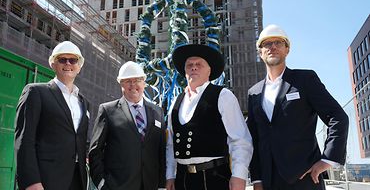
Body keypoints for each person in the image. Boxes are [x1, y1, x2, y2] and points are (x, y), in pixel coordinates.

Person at [246, 24, 349, 190]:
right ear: (260, 52)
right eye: (267, 44)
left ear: (287, 49)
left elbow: (338, 117)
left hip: (304, 178)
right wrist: (257, 179)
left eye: (278, 43)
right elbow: (254, 139)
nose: (272, 47)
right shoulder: (253, 93)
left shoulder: (305, 79)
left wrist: (327, 160)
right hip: (268, 181)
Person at [165, 44, 253, 190]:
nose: (193, 67)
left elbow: (240, 139)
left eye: (199, 64)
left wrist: (239, 176)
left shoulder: (223, 96)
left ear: (209, 70)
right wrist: (170, 176)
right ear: (184, 71)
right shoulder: (176, 102)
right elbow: (170, 144)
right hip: (182, 179)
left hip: (214, 177)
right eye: (189, 65)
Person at [15, 41, 90, 190]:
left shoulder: (84, 102)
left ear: (79, 66)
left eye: (73, 60)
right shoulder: (36, 92)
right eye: (62, 59)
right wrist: (31, 181)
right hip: (46, 179)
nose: (68, 63)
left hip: (77, 179)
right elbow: (24, 139)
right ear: (53, 64)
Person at [89, 61, 166, 190]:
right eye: (127, 81)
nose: (133, 85)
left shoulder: (158, 112)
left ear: (144, 83)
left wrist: (162, 185)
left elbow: (161, 151)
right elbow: (95, 151)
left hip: (150, 185)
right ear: (121, 83)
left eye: (137, 80)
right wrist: (101, 183)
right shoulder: (108, 110)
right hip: (118, 186)